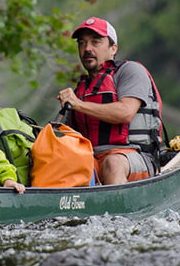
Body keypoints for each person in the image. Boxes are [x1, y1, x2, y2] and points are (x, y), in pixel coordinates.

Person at [57, 17, 163, 185]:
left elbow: (126, 113)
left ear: (113, 48)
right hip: (91, 158)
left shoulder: (131, 71)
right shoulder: (81, 88)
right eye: (82, 43)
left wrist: (78, 104)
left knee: (113, 163)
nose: (87, 49)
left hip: (135, 156)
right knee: (64, 166)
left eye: (95, 42)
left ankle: (116, 212)